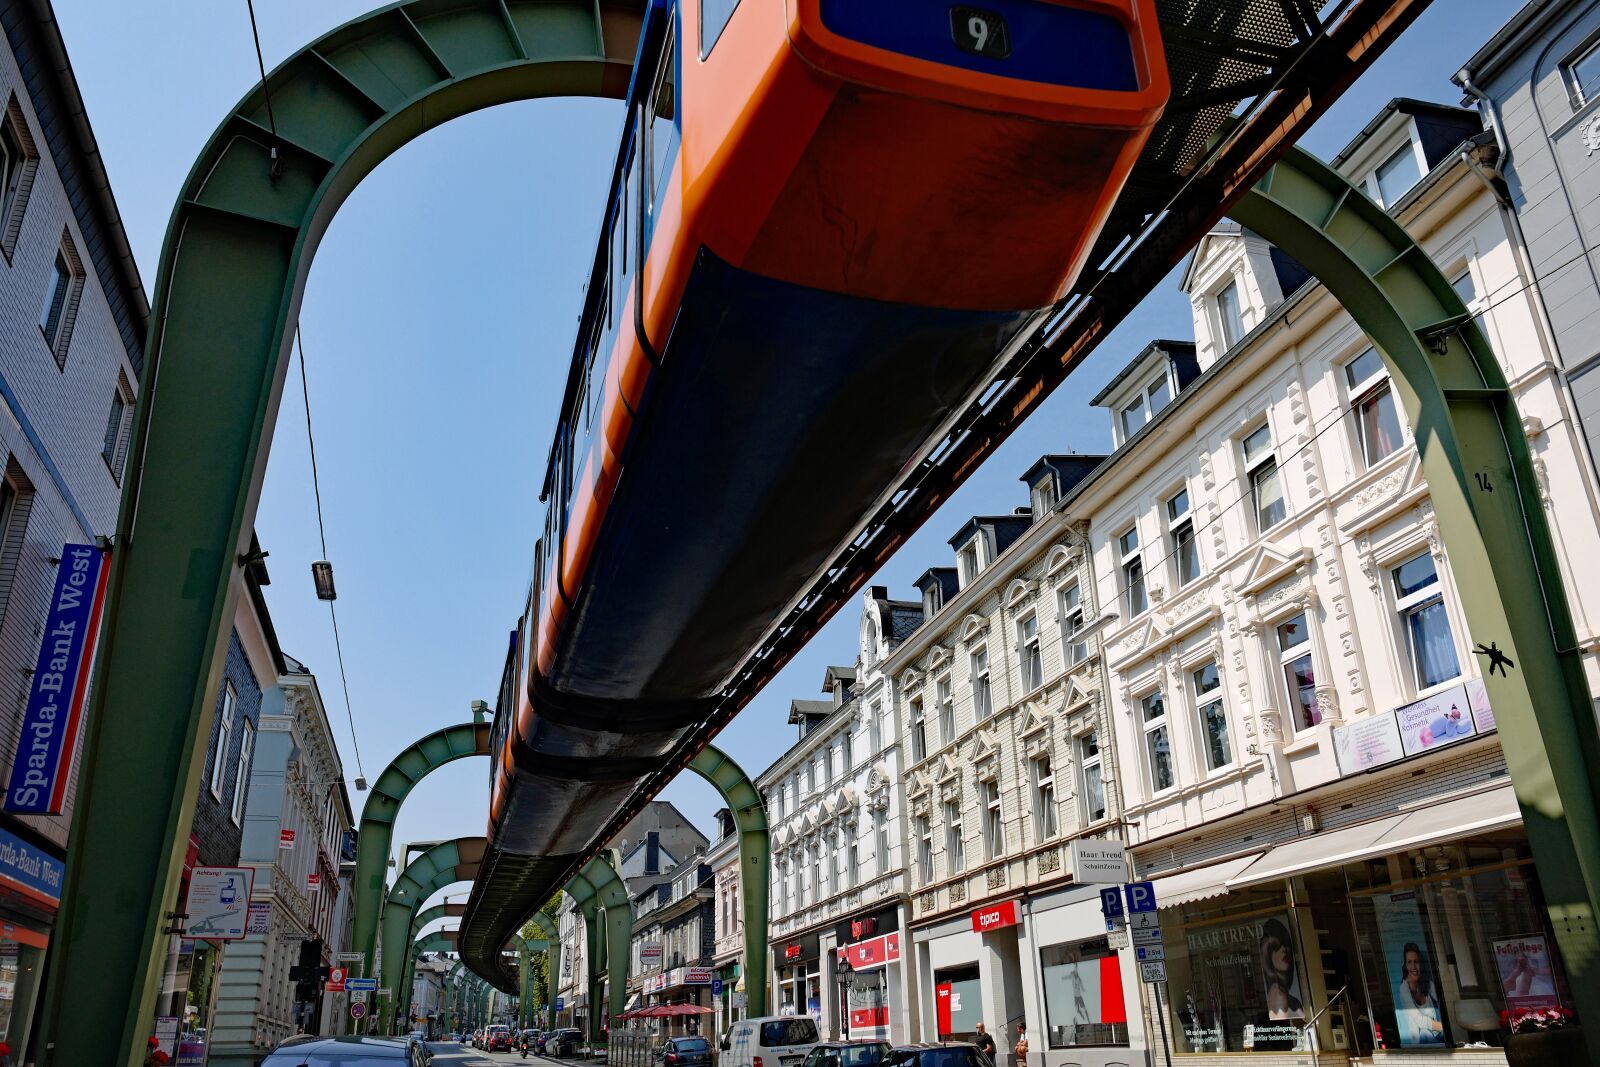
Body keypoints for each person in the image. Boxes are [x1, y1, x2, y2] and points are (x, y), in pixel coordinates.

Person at [1394, 942, 1445, 1046]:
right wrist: (1444, 1027)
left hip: (1438, 1037)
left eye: (1416, 962)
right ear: (1405, 965)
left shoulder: (1427, 983)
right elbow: (1420, 1021)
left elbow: (1443, 1000)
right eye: (1409, 962)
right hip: (1421, 1044)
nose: (1414, 966)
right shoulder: (1403, 989)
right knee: (1424, 1033)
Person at [1258, 918, 1304, 1020]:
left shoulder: (1282, 993)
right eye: (1276, 947)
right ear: (1268, 956)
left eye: (1285, 944)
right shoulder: (1279, 995)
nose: (1284, 949)